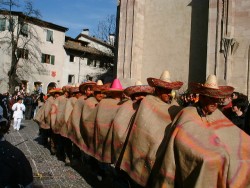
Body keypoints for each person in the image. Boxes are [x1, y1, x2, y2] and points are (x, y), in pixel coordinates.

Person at [150, 75, 250, 188]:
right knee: (210, 161)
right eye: (210, 98)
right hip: (199, 158)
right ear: (202, 97)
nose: (214, 102)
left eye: (216, 98)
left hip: (218, 154)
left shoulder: (217, 114)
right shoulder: (188, 113)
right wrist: (208, 152)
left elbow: (232, 134)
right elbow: (181, 141)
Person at [119, 70, 183, 186]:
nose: (169, 94)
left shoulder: (175, 107)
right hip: (146, 148)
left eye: (170, 91)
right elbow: (141, 128)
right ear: (158, 90)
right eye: (166, 91)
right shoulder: (147, 102)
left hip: (163, 152)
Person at [0, 106, 33, 187]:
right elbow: (27, 182)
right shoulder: (14, 155)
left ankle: (17, 127)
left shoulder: (14, 155)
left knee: (18, 122)